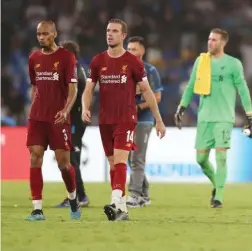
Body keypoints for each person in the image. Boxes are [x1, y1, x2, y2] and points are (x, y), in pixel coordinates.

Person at [82, 19, 166, 221]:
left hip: (126, 118)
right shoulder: (97, 61)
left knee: (120, 161)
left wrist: (159, 120)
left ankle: (114, 201)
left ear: (123, 35)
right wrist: (85, 107)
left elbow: (147, 91)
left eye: (115, 31)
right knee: (112, 164)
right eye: (108, 31)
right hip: (105, 120)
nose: (110, 34)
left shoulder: (133, 62)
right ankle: (122, 210)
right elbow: (88, 88)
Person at [174, 28, 252, 208]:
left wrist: (250, 116)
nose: (210, 42)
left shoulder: (233, 64)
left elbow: (243, 90)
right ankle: (216, 184)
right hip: (204, 117)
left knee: (221, 157)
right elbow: (190, 86)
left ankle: (218, 196)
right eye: (209, 39)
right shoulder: (201, 61)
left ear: (223, 43)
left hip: (224, 117)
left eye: (214, 40)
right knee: (201, 160)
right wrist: (182, 106)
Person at [26, 21, 80, 221]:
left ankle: (73, 197)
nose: (41, 37)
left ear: (54, 34)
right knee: (35, 157)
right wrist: (31, 112)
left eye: (45, 34)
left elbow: (72, 89)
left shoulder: (66, 57)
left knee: (63, 164)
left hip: (58, 118)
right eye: (39, 34)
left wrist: (66, 111)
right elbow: (35, 87)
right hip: (38, 117)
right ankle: (37, 209)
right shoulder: (34, 58)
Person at [126, 36, 163, 207]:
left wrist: (139, 107)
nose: (131, 52)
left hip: (144, 120)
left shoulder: (150, 70)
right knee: (128, 158)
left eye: (134, 49)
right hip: (126, 120)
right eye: (129, 49)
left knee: (137, 158)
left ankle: (134, 195)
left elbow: (157, 96)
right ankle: (144, 193)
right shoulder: (124, 70)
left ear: (142, 51)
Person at [56, 40, 90, 208]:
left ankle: (79, 197)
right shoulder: (75, 70)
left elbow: (73, 97)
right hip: (74, 120)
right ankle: (78, 195)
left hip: (75, 121)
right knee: (69, 159)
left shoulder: (75, 72)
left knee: (71, 160)